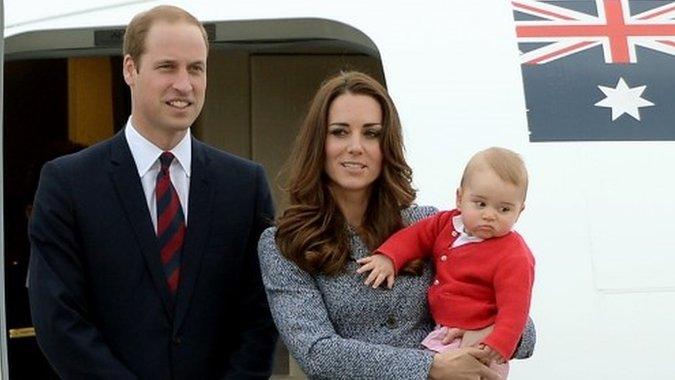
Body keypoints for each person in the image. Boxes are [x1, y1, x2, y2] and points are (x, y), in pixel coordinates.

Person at [28, 5, 277, 379]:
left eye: (196, 68)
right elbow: (58, 319)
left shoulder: (244, 186)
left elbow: (261, 316)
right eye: (167, 67)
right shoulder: (69, 184)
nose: (184, 84)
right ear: (130, 69)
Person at [257, 71, 535, 379]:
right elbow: (318, 352)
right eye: (339, 132)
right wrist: (430, 367)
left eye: (371, 133)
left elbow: (525, 330)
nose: (355, 147)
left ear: (386, 145)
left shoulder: (432, 223)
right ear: (318, 143)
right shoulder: (284, 245)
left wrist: (482, 335)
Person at [358, 147, 535, 379]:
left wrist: (499, 343)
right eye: (480, 204)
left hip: (483, 343)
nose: (490, 215)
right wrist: (389, 257)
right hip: (445, 333)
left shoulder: (514, 255)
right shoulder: (446, 223)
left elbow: (515, 308)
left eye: (504, 209)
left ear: (519, 211)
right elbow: (416, 236)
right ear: (460, 198)